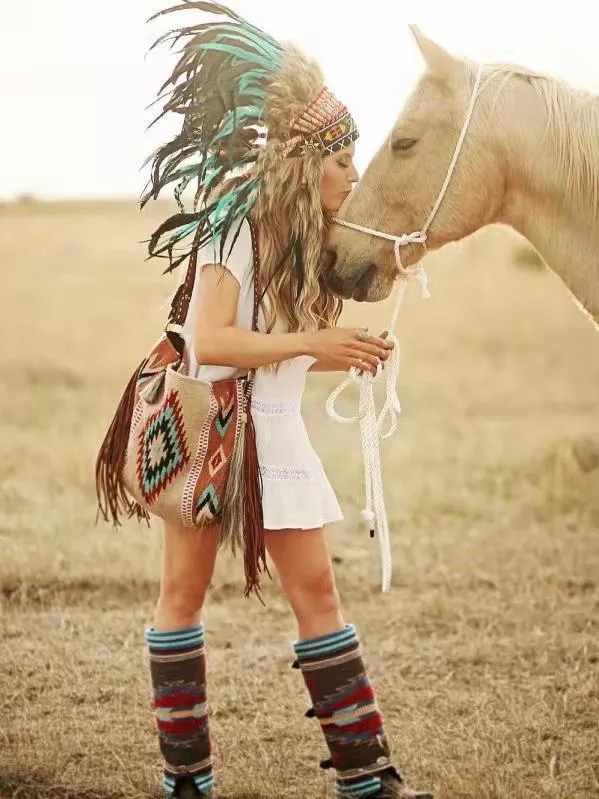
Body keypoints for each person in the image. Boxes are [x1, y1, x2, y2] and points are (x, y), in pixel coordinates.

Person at [136, 4, 433, 798]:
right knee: (181, 594)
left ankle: (367, 780)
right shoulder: (236, 224)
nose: (356, 175)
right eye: (345, 161)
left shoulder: (302, 239)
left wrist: (348, 354)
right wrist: (311, 343)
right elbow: (210, 343)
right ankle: (186, 780)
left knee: (318, 592)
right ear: (309, 165)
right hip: (208, 432)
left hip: (276, 433)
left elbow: (277, 364)